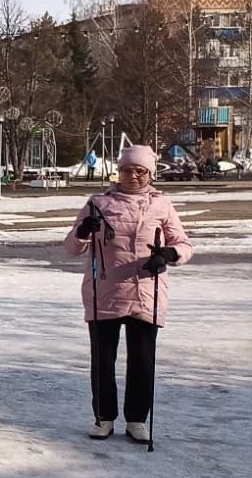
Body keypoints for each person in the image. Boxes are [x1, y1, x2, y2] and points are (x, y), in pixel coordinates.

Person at [62, 144, 193, 442]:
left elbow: (185, 244)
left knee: (143, 360)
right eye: (126, 170)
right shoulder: (97, 203)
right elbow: (71, 247)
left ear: (149, 173)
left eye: (140, 171)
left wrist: (169, 254)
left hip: (147, 291)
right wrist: (83, 232)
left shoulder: (162, 204)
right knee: (103, 360)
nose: (132, 176)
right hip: (104, 290)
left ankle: (136, 419)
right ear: (117, 172)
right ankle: (104, 417)